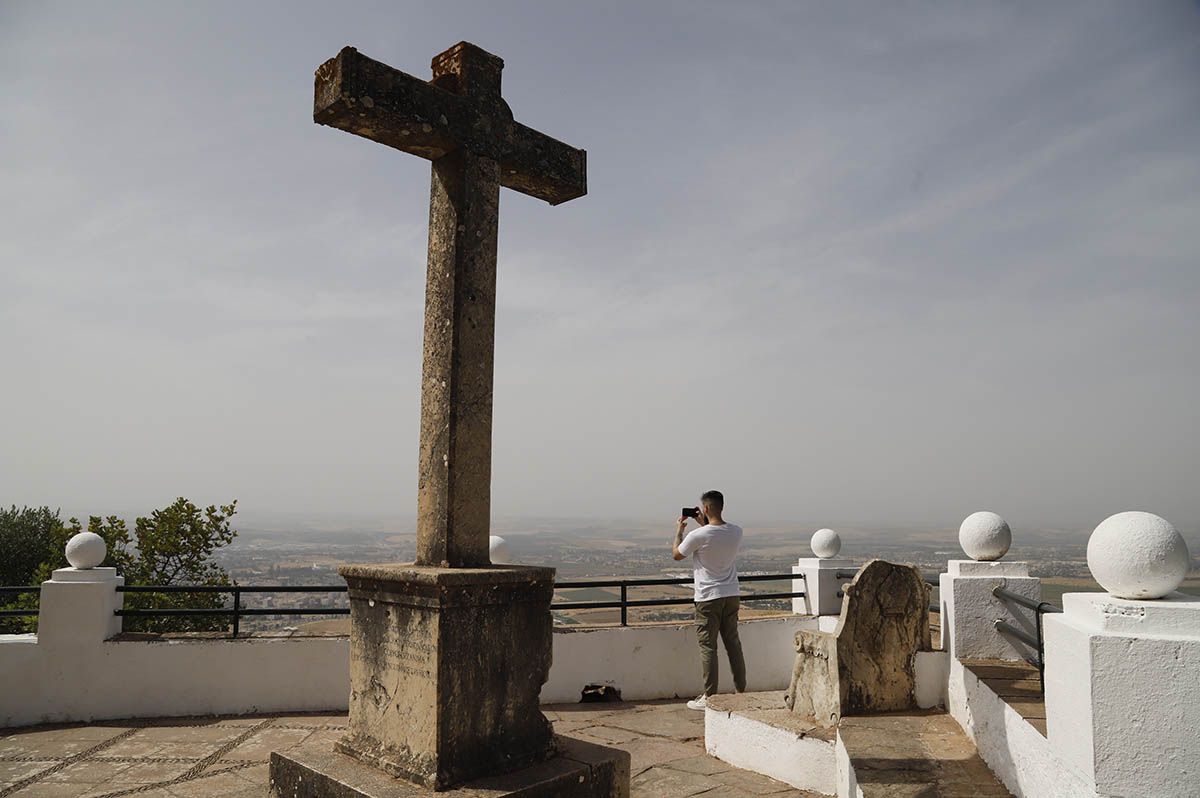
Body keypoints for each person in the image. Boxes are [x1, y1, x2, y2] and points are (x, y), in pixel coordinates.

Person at [672, 489, 746, 710]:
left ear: (705, 508)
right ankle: (741, 692)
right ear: (721, 506)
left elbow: (677, 554)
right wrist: (703, 523)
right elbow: (715, 537)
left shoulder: (698, 536)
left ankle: (710, 697)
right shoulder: (736, 531)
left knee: (708, 647)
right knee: (733, 644)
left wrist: (679, 530)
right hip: (731, 594)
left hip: (708, 598)